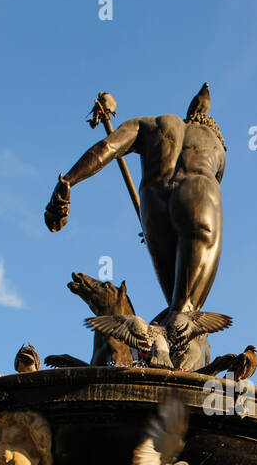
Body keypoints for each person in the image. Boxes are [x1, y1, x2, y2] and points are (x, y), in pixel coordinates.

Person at [46, 84, 225, 314]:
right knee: (186, 312)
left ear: (190, 112)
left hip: (152, 206)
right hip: (198, 198)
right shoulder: (216, 145)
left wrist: (68, 181)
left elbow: (108, 147)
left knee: (174, 308)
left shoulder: (152, 124)